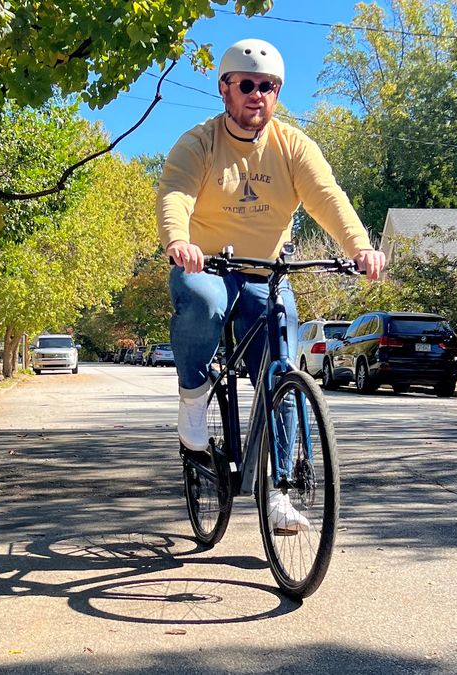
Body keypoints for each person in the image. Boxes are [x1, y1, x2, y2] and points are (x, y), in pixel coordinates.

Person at [158, 38, 385, 533]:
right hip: (208, 265)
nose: (256, 94)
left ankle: (278, 492)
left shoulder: (293, 146)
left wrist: (359, 246)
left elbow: (328, 196)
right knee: (201, 299)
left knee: (281, 377)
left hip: (267, 270)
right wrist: (179, 240)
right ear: (225, 89)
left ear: (277, 93)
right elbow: (175, 190)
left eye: (267, 86)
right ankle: (194, 397)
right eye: (246, 85)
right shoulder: (199, 142)